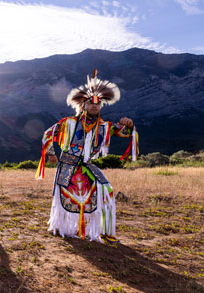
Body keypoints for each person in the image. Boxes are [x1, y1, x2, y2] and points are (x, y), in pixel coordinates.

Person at [36, 69, 138, 243]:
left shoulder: (105, 126)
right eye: (91, 103)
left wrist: (129, 125)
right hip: (67, 166)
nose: (94, 106)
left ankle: (105, 232)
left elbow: (126, 133)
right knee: (64, 199)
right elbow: (47, 134)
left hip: (87, 166)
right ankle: (61, 227)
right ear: (83, 105)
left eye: (98, 104)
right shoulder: (68, 123)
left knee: (106, 192)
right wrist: (52, 154)